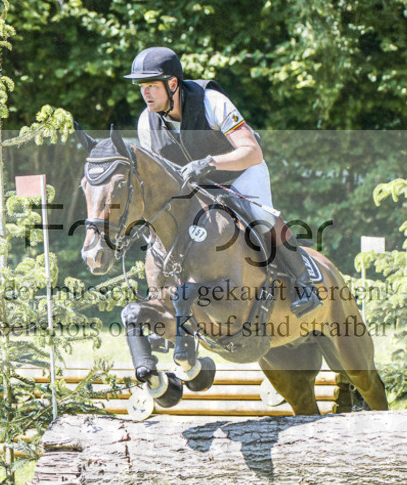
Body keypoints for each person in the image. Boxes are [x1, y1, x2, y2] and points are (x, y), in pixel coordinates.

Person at [124, 46, 321, 317]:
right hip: (198, 186)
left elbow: (252, 151)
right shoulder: (146, 123)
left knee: (261, 216)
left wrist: (210, 163)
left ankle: (304, 284)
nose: (145, 93)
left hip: (239, 172)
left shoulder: (211, 102)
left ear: (172, 84)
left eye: (151, 86)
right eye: (141, 86)